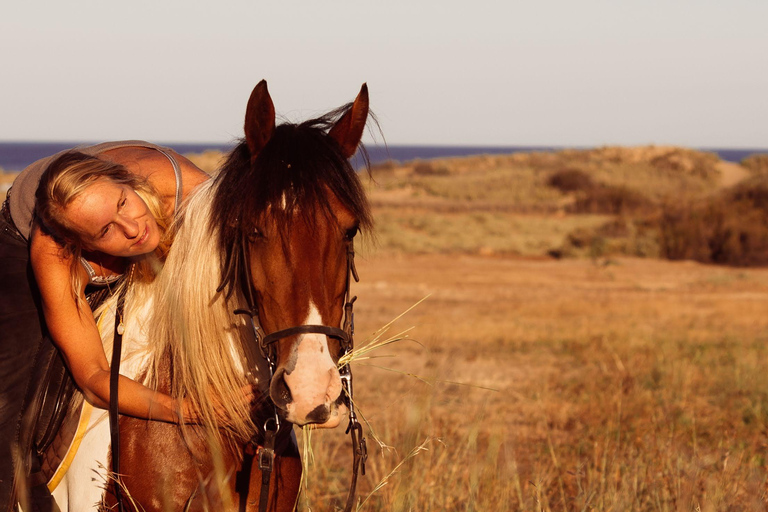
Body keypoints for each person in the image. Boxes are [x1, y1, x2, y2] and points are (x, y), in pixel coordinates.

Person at [0, 141, 239, 511]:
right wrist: (184, 409)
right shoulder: (54, 252)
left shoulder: (190, 192)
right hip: (19, 233)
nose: (132, 229)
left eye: (124, 203)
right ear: (82, 244)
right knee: (13, 401)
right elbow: (95, 379)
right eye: (105, 230)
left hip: (141, 191)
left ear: (126, 180)